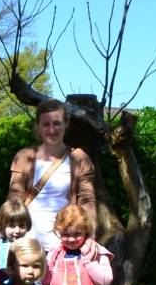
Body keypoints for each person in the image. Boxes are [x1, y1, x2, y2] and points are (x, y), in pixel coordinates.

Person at [7, 98, 97, 251]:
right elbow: (15, 200)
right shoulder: (23, 157)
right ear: (37, 126)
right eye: (46, 124)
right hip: (28, 247)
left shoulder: (79, 158)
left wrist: (90, 236)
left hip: (65, 245)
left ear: (66, 124)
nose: (51, 130)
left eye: (57, 123)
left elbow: (87, 200)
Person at [0, 198, 33, 279]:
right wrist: (2, 272)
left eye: (22, 225)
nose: (17, 230)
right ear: (3, 226)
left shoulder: (30, 248)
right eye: (12, 226)